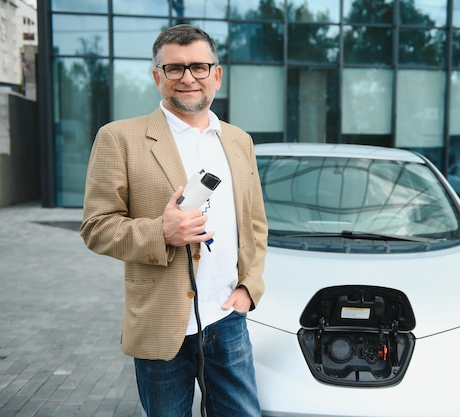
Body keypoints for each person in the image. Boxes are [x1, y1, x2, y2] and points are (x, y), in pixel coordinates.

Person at [80, 24, 267, 417]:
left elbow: (255, 224)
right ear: (157, 77)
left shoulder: (239, 140)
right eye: (174, 69)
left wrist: (249, 287)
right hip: (161, 322)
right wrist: (159, 231)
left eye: (199, 67)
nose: (187, 78)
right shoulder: (119, 138)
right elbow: (96, 227)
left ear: (216, 74)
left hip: (226, 318)